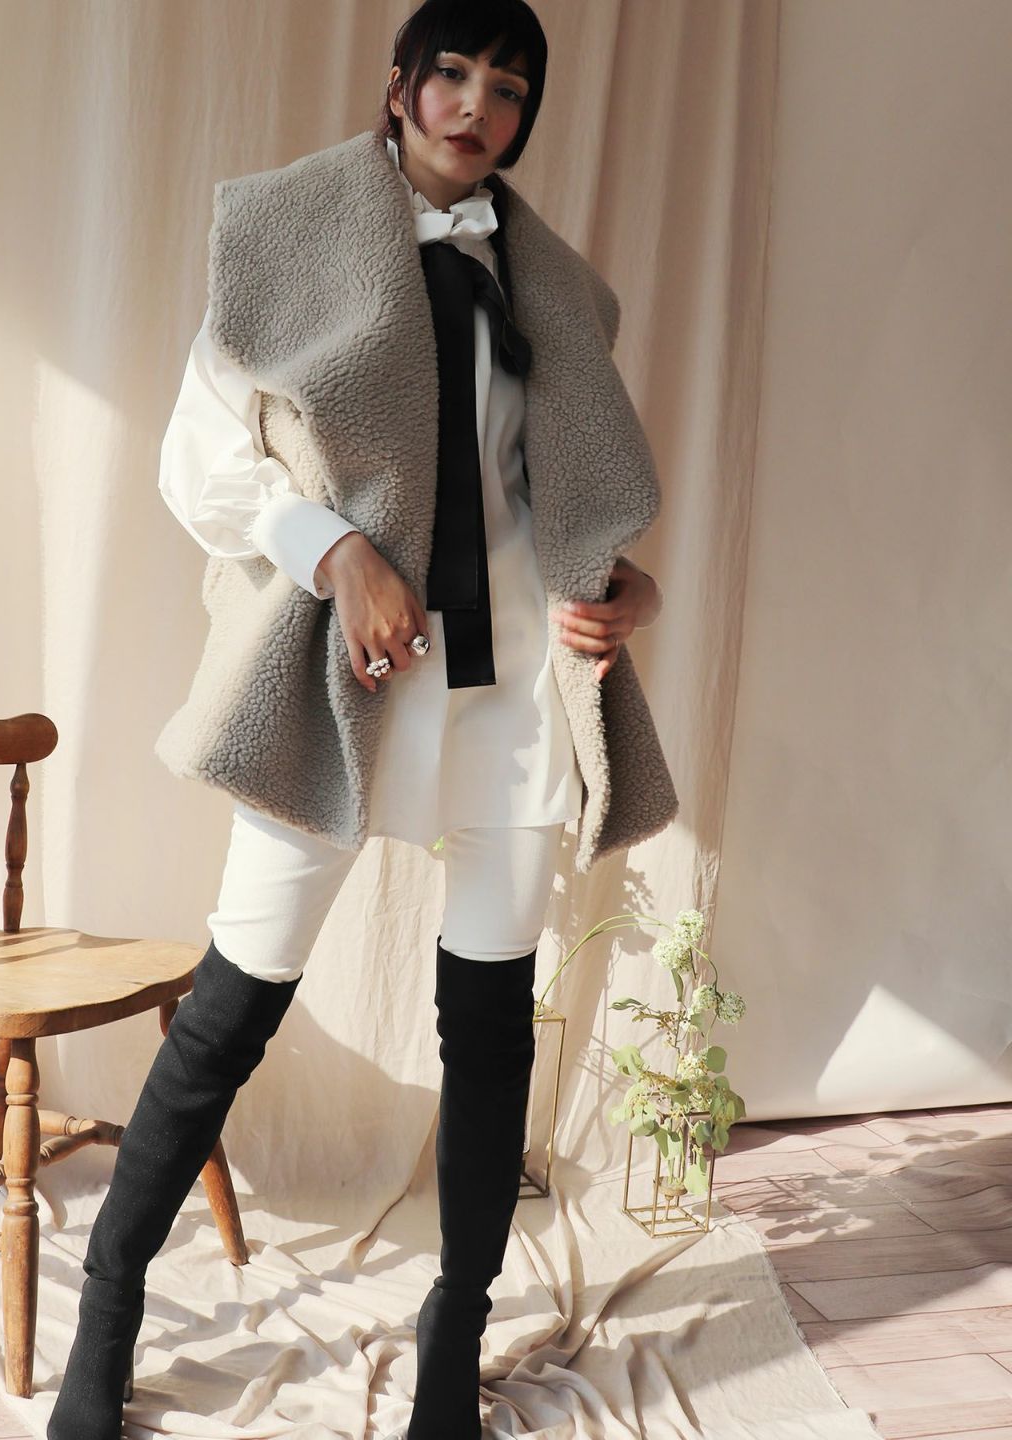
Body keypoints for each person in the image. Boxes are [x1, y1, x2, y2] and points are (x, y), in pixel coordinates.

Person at [48, 2, 677, 1437]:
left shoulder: (552, 286)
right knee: (232, 1008)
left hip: (515, 688)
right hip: (351, 674)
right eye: (452, 73)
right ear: (399, 86)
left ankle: (454, 1338)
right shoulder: (286, 235)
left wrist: (623, 589)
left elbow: (557, 492)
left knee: (491, 1028)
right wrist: (335, 551)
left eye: (507, 88)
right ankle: (109, 1307)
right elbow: (200, 460)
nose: (475, 106)